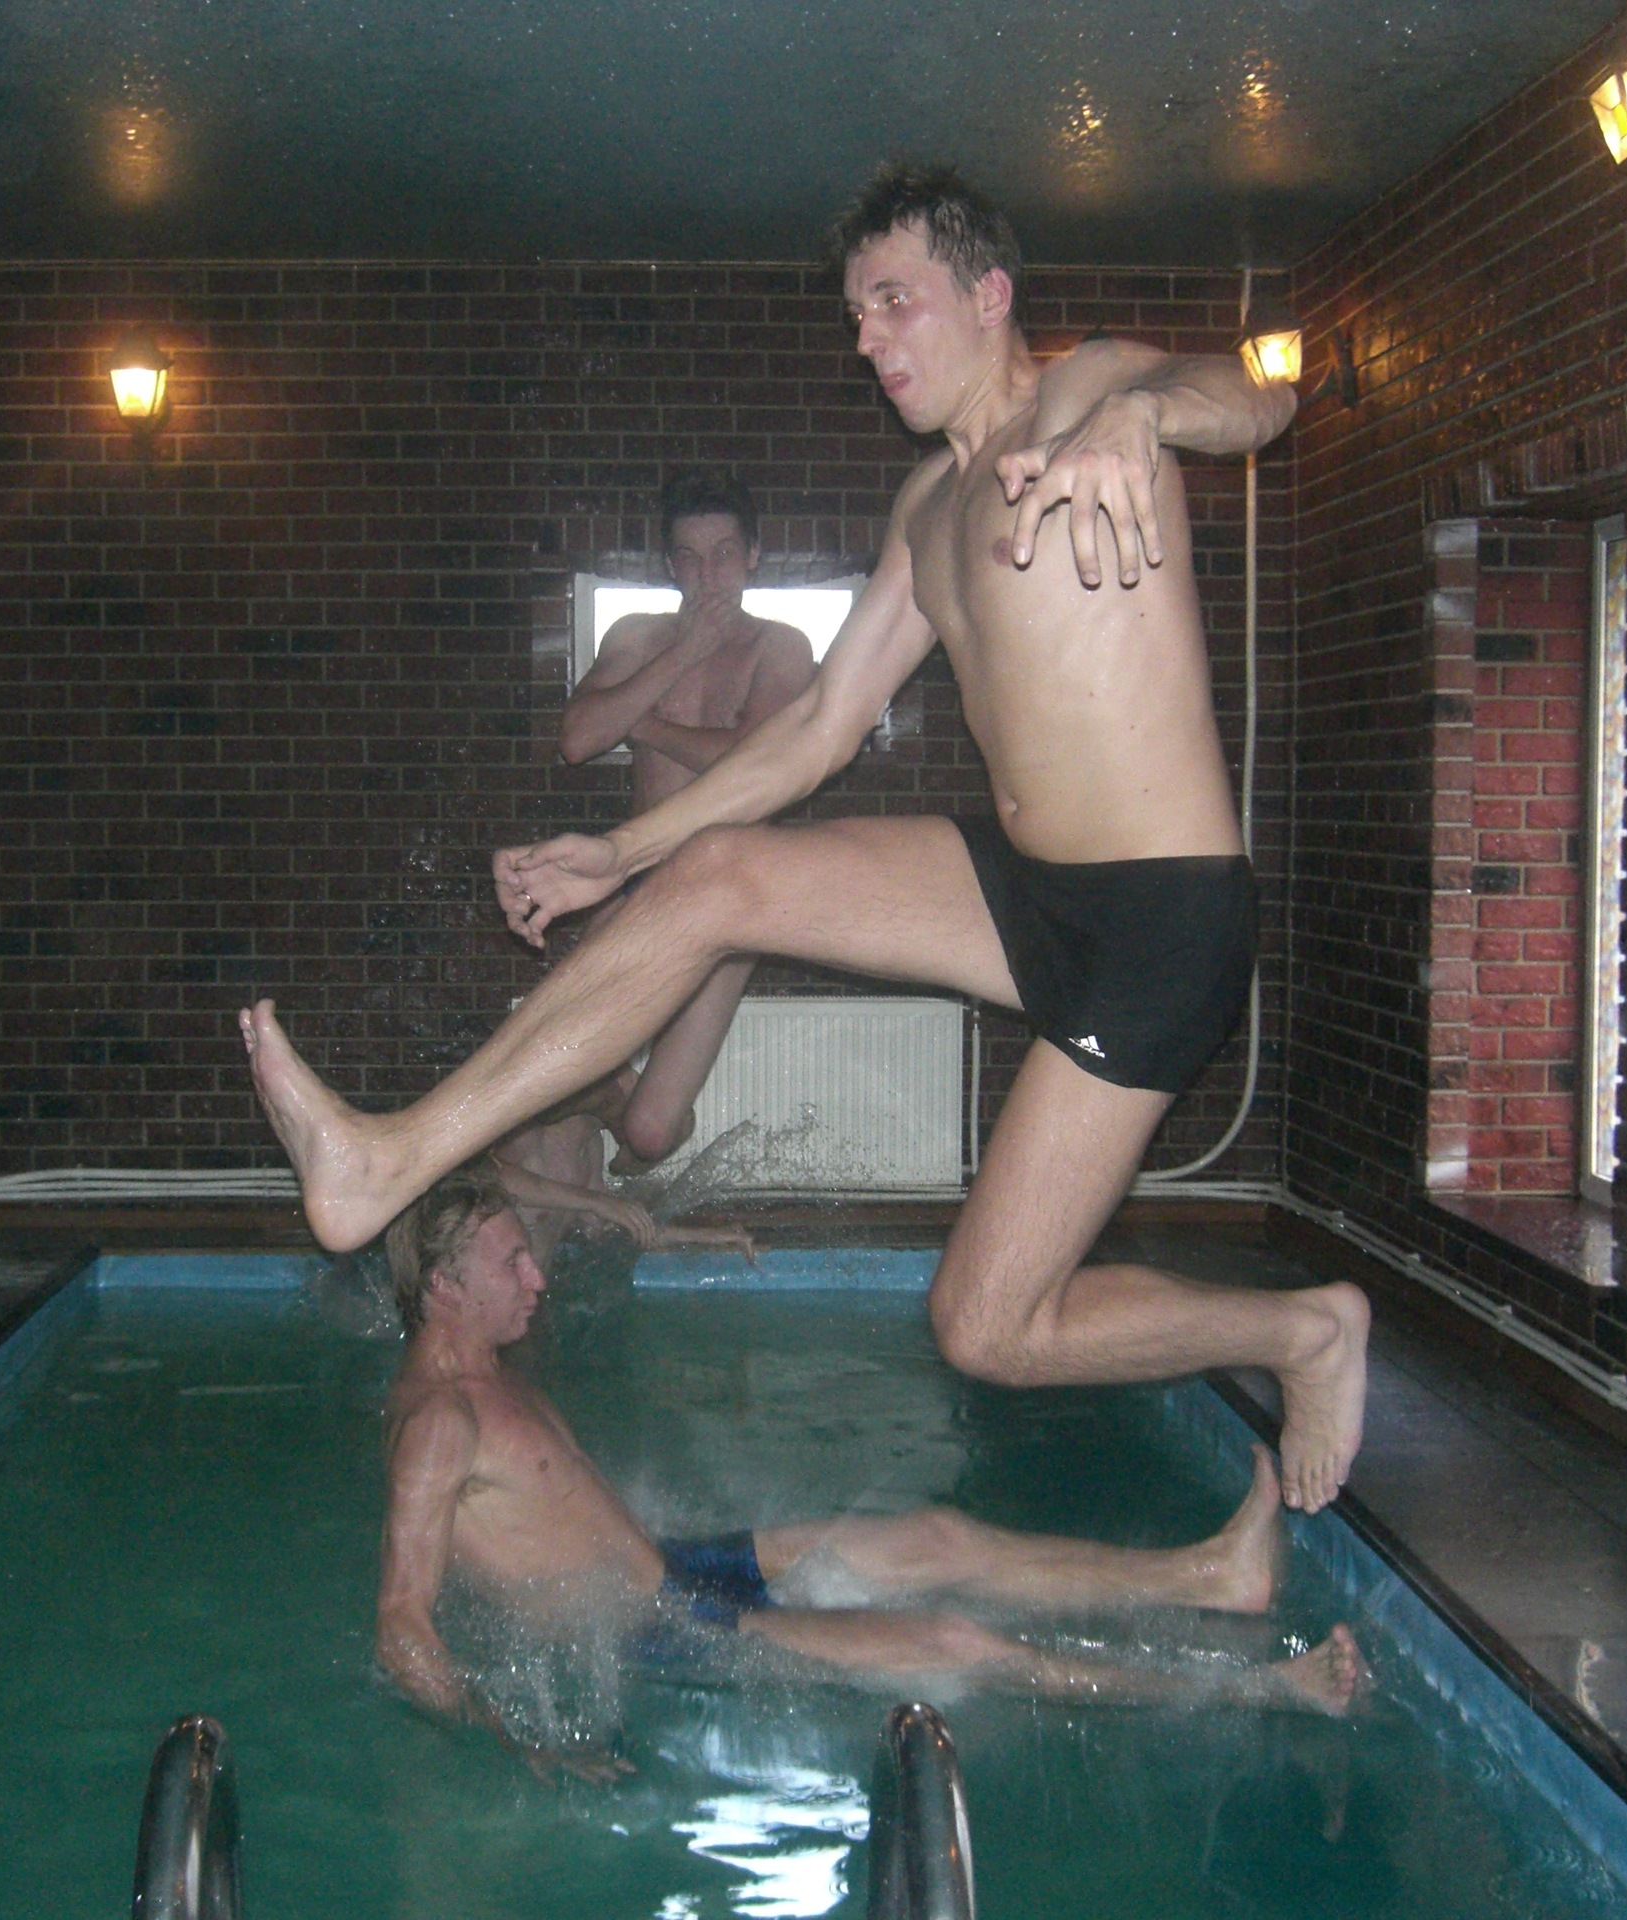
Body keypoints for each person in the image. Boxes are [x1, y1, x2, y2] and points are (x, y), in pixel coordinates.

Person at [246, 162, 1371, 1513]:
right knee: (718, 875)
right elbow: (821, 727)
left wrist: (1143, 417)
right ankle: (389, 1157)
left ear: (988, 293)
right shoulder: (928, 509)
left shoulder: (1090, 392)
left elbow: (1257, 395)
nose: (868, 340)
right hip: (1024, 887)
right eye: (854, 315)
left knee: (987, 1329)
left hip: (1162, 916)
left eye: (893, 302)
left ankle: (1306, 1331)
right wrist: (620, 854)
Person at [374, 1167, 1367, 1780]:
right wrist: (515, 1741)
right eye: (512, 1264)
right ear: (446, 1287)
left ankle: (1211, 1577)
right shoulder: (440, 1424)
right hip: (659, 1628)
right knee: (957, 1643)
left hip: (675, 1572)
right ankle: (1265, 1689)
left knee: (939, 1538)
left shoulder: (489, 1370)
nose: (539, 1278)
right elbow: (401, 1626)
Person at [556, 472, 818, 1169]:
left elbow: (756, 760)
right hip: (640, 879)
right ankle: (601, 1110)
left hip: (733, 895)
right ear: (670, 565)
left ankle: (634, 1115)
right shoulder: (638, 637)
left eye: (725, 553)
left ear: (753, 555)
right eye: (691, 558)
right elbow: (578, 738)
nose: (709, 575)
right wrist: (686, 652)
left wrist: (645, 726)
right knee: (554, 1067)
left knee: (650, 1134)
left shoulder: (782, 647)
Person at [487, 1071, 756, 1269]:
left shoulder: (590, 1147)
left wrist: (710, 1238)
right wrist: (596, 1201)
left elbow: (609, 1226)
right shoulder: (532, 1133)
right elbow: (487, 1178)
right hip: (485, 1303)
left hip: (528, 1300)